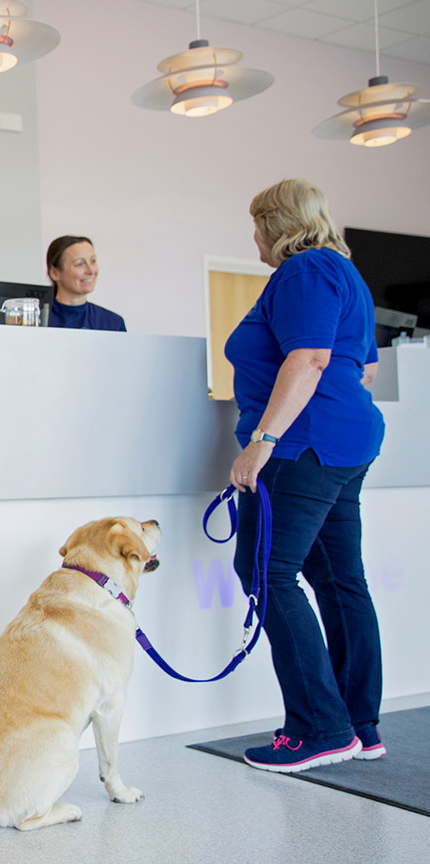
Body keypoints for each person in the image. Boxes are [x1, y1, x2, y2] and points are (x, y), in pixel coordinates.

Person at [224, 178, 386, 773]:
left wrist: (263, 441)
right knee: (340, 579)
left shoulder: (303, 271)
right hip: (346, 441)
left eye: (257, 224)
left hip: (304, 445)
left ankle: (319, 728)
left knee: (266, 570)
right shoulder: (346, 272)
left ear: (275, 224)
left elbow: (310, 357)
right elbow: (361, 369)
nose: (254, 237)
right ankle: (357, 726)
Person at [45, 235, 126, 331]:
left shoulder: (112, 323)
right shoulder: (35, 321)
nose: (91, 271)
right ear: (55, 273)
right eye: (79, 264)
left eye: (93, 261)